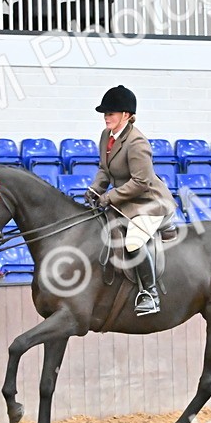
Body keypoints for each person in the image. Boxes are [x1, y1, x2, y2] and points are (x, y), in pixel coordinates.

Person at [84, 85, 177, 316]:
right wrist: (95, 190)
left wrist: (109, 196)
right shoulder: (107, 136)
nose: (106, 117)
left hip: (149, 203)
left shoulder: (137, 143)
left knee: (133, 242)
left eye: (111, 113)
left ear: (126, 115)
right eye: (105, 113)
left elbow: (141, 182)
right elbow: (104, 170)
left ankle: (150, 294)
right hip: (125, 201)